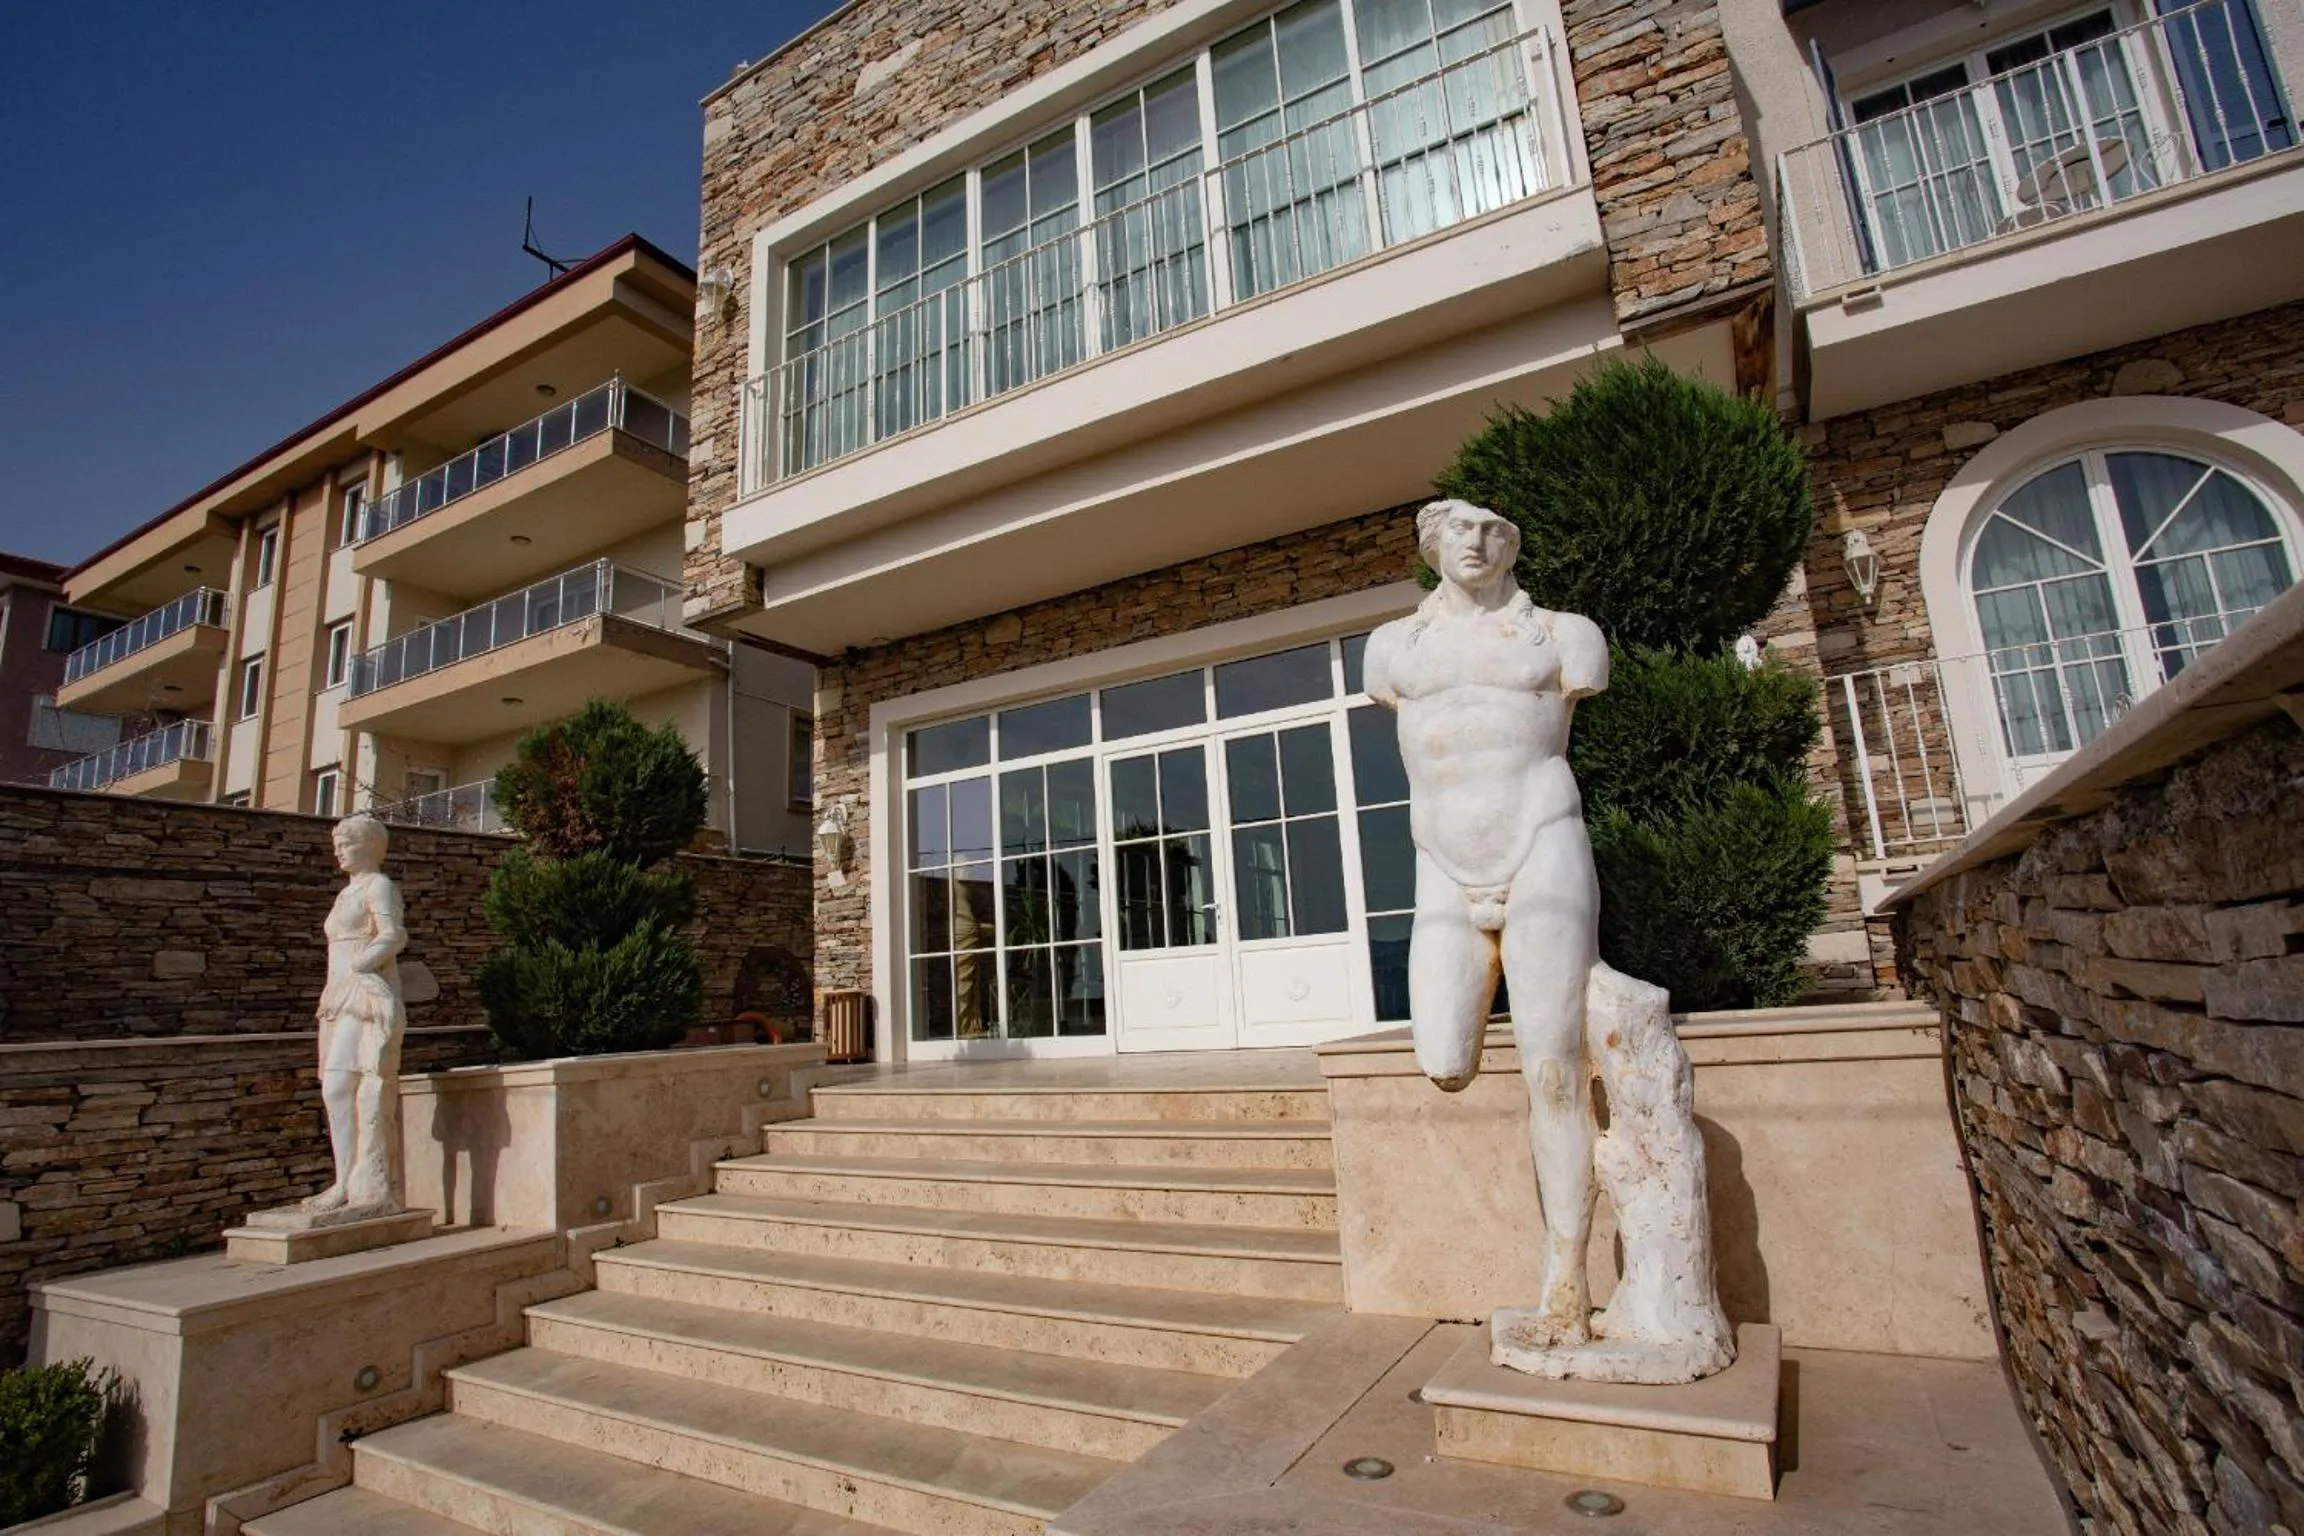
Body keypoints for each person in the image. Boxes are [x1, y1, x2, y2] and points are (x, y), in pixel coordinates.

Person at [1362, 498, 1610, 1349]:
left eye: (1493, 529)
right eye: (1458, 529)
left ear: (1513, 542)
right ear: (1430, 546)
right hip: (1442, 859)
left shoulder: (1567, 637)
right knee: (1444, 1060)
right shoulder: (1393, 648)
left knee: (1552, 1069)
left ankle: (1566, 1277)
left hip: (1541, 837)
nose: (1475, 542)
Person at [303, 814, 409, 1214]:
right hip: (337, 995)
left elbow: (394, 935)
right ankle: (344, 1180)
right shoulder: (345, 893)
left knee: (347, 1085)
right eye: (337, 844)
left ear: (369, 845)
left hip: (363, 995)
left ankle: (366, 1183)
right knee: (334, 1089)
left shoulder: (379, 886)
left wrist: (362, 966)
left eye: (346, 844)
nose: (338, 851)